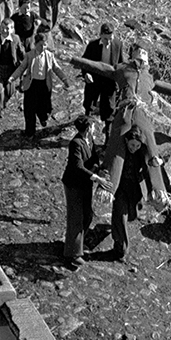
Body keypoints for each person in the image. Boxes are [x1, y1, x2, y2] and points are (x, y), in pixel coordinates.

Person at [61, 115, 110, 268]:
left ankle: (78, 244)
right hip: (75, 185)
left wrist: (98, 168)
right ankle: (73, 254)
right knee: (76, 217)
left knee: (87, 215)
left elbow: (94, 157)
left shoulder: (89, 140)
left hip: (85, 184)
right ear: (88, 128)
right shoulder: (75, 143)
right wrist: (96, 177)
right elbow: (78, 166)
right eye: (93, 126)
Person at [111, 125, 163, 262]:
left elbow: (149, 169)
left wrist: (154, 188)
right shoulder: (120, 151)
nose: (134, 148)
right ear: (126, 141)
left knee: (130, 215)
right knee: (120, 216)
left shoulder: (142, 153)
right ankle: (121, 248)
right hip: (121, 188)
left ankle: (120, 232)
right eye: (132, 145)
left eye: (137, 146)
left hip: (135, 190)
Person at [8, 32, 70, 140]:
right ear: (35, 44)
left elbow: (56, 68)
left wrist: (64, 79)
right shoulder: (29, 55)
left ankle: (43, 117)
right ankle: (30, 132)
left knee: (43, 106)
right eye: (41, 44)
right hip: (31, 85)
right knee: (29, 109)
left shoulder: (49, 56)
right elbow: (21, 68)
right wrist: (12, 77)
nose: (43, 47)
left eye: (45, 44)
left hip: (44, 85)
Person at [81, 22, 123, 141]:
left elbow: (120, 63)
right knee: (89, 103)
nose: (108, 42)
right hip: (94, 80)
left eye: (110, 38)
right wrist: (86, 74)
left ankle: (108, 137)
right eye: (105, 39)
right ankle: (85, 128)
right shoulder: (92, 45)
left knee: (109, 107)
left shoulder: (118, 44)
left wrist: (120, 81)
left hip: (109, 81)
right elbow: (84, 62)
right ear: (100, 35)